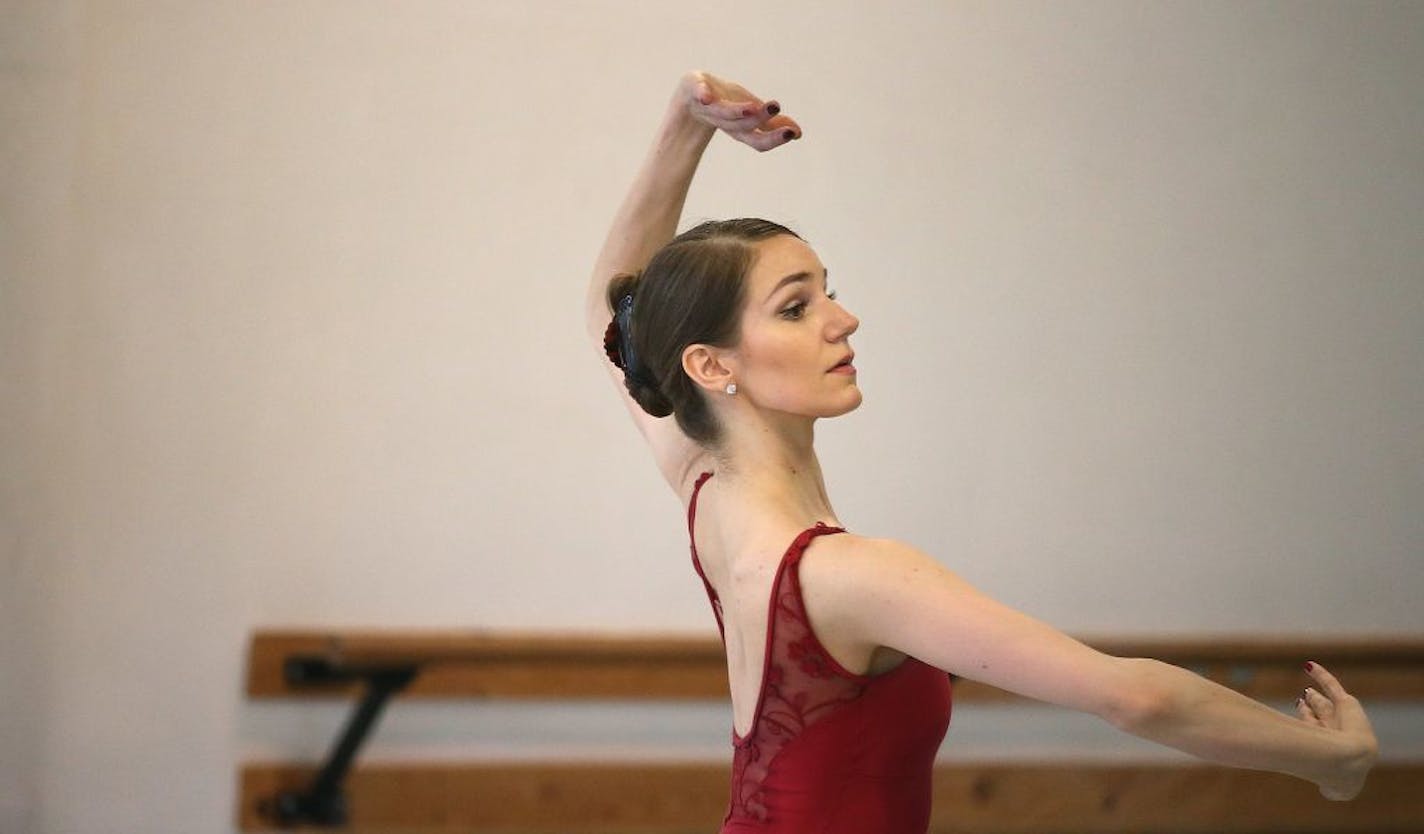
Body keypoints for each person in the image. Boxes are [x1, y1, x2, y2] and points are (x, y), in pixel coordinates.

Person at [585, 70, 1378, 833]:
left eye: (828, 289)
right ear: (710, 364)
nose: (844, 319)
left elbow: (614, 318)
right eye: (796, 308)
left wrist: (685, 123)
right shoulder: (852, 576)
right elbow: (1134, 697)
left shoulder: (709, 494)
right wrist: (1328, 759)